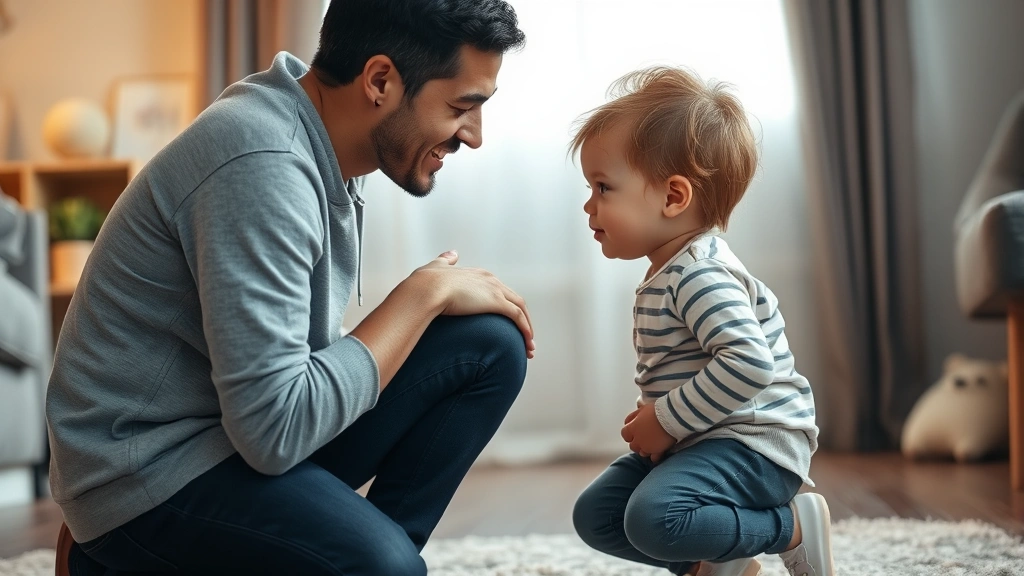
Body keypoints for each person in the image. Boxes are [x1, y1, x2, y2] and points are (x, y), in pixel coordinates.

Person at [46, 1, 532, 574]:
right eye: (461, 107)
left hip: (233, 433)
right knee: (384, 566)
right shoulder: (261, 163)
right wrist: (419, 296)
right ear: (380, 80)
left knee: (488, 345)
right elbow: (275, 433)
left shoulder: (312, 141)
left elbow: (282, 393)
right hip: (148, 473)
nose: (473, 137)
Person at [569, 67, 835, 576]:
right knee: (598, 515)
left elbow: (749, 363)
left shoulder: (699, 275)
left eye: (603, 187)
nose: (589, 205)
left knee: (653, 519)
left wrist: (665, 419)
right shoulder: (669, 272)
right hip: (702, 440)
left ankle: (791, 525)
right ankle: (711, 568)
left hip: (755, 445)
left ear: (673, 197)